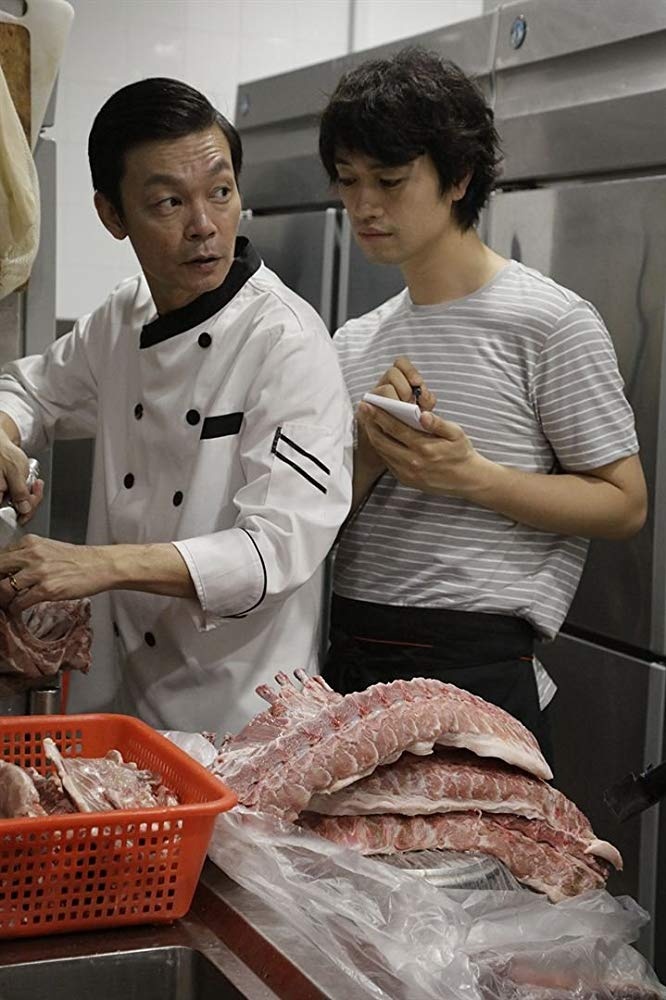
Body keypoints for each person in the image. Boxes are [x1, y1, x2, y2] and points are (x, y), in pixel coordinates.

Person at [317, 48, 647, 759]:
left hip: (479, 668)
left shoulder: (549, 322)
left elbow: (625, 504)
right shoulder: (353, 341)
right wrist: (368, 456)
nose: (364, 205)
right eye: (348, 180)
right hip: (349, 658)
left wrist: (471, 477)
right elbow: (313, 531)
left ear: (459, 177)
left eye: (389, 180)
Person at [0, 77, 353, 734]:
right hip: (120, 696)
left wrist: (96, 565)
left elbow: (275, 550)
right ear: (112, 215)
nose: (204, 226)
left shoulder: (287, 342)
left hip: (242, 718)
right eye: (168, 201)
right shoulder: (122, 316)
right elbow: (34, 391)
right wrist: (4, 434)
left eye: (220, 192)